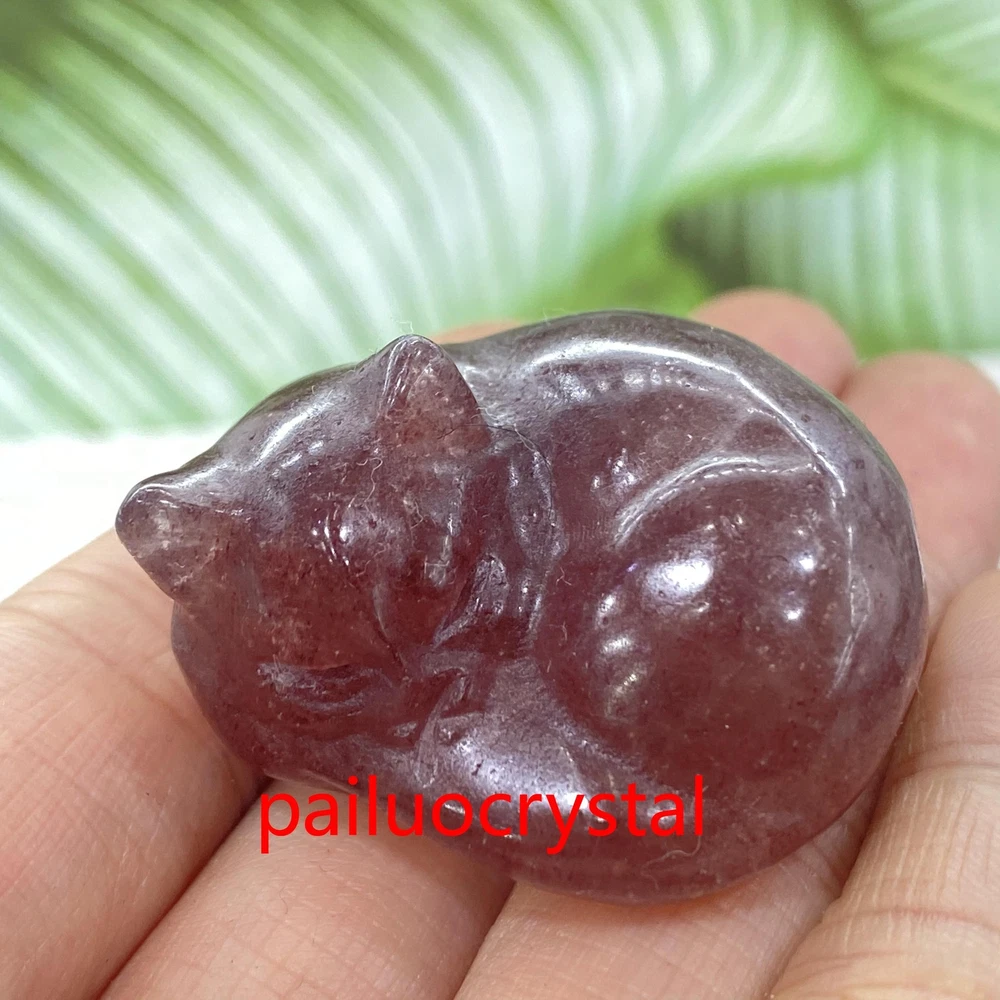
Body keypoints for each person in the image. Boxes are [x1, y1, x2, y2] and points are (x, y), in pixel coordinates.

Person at [2, 288, 999, 999]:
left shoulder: (468, 446)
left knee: (607, 617)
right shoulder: (258, 551)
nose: (443, 589)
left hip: (755, 597)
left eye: (442, 553)